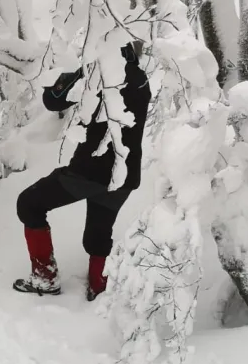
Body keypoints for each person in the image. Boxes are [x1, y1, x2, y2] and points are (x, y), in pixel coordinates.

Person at [14, 42, 150, 301]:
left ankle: (45, 278)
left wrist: (63, 79)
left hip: (90, 172)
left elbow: (53, 101)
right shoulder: (140, 79)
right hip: (124, 174)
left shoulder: (99, 74)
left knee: (29, 203)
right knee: (99, 232)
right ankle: (99, 286)